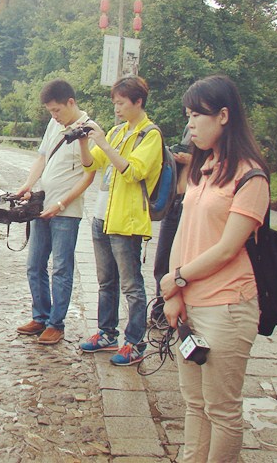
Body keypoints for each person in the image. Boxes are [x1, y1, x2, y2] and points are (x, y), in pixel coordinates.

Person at [160, 75, 269, 462]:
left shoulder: (250, 175)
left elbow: (227, 249)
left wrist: (177, 278)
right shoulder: (204, 168)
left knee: (222, 409)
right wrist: (174, 293)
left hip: (227, 306)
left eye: (196, 115)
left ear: (223, 115)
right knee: (193, 403)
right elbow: (182, 231)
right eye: (188, 115)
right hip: (189, 303)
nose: (189, 124)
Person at [78, 76, 163, 366]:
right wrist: (84, 143)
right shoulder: (116, 132)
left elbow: (133, 171)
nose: (117, 108)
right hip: (102, 217)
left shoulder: (150, 135)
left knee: (131, 286)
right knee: (106, 282)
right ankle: (107, 333)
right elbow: (92, 163)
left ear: (138, 102)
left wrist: (103, 142)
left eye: (121, 103)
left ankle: (135, 342)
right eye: (114, 103)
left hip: (126, 222)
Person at [15, 79, 94, 346]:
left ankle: (55, 324)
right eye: (50, 111)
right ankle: (40, 316)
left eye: (57, 110)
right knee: (34, 264)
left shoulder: (89, 129)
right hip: (43, 205)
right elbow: (42, 157)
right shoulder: (54, 124)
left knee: (61, 268)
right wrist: (28, 184)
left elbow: (88, 176)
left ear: (71, 102)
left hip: (66, 212)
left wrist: (60, 204)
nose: (54, 116)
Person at [149, 122, 192, 328]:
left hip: (190, 202)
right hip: (174, 201)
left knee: (184, 261)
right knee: (163, 260)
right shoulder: (189, 130)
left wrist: (192, 161)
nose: (192, 122)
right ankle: (161, 309)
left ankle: (180, 310)